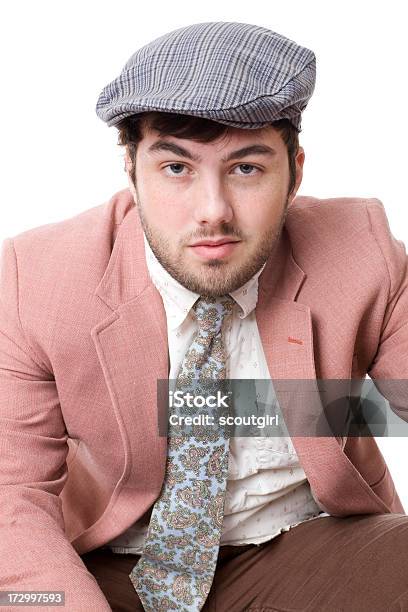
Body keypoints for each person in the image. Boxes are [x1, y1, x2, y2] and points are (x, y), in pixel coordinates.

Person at [1, 20, 408, 612]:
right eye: (176, 169)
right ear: (131, 168)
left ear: (295, 170)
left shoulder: (359, 249)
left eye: (247, 168)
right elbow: (12, 495)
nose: (213, 212)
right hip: (110, 563)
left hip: (302, 551)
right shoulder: (34, 277)